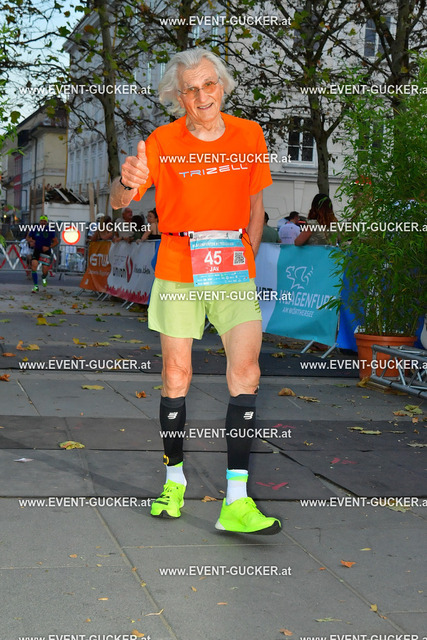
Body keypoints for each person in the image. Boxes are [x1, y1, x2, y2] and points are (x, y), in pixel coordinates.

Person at [110, 47, 281, 535]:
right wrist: (125, 181)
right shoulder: (162, 141)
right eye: (191, 89)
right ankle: (174, 480)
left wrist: (248, 255)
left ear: (221, 86)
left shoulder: (249, 135)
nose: (203, 95)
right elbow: (121, 201)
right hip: (178, 264)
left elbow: (256, 203)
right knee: (176, 375)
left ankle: (237, 502)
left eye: (209, 84)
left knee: (246, 372)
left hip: (232, 267)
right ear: (178, 96)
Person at [26, 215, 58, 292]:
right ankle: (36, 286)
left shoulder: (50, 230)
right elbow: (28, 238)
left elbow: (56, 242)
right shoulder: (35, 229)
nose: (43, 222)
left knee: (45, 270)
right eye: (41, 221)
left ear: (46, 222)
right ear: (39, 221)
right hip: (37, 250)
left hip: (46, 251)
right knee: (34, 266)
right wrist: (31, 241)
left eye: (44, 221)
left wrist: (49, 247)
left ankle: (44, 277)